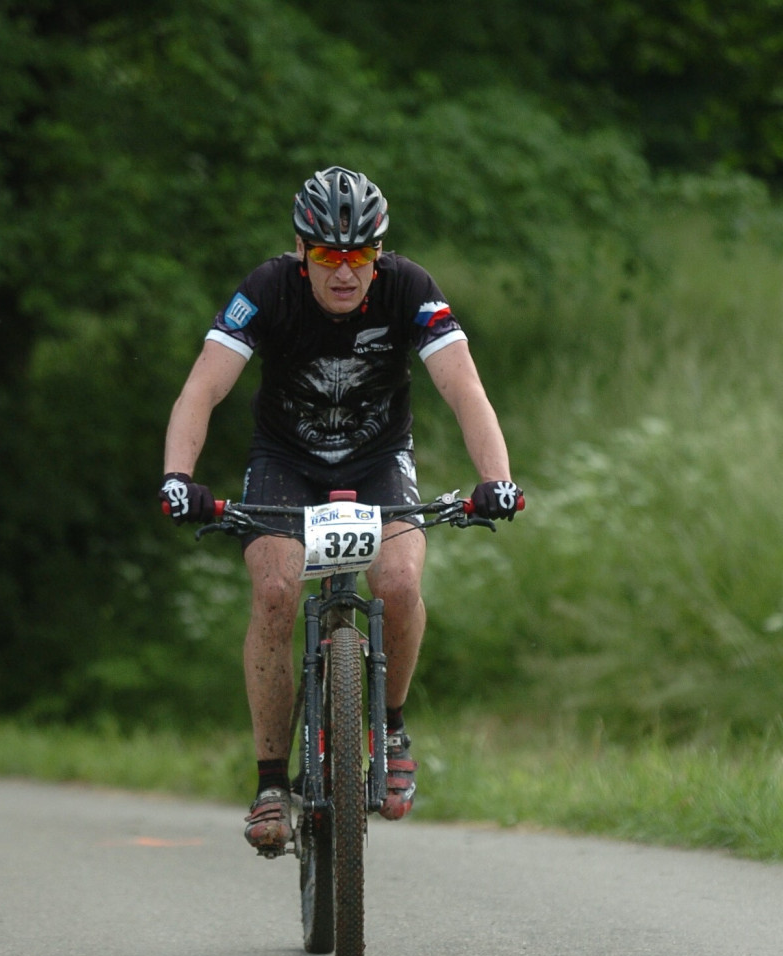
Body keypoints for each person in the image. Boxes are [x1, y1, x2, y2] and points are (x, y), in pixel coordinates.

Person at [160, 166, 522, 855]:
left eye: (361, 254)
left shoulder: (409, 287)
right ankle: (272, 782)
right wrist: (179, 478)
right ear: (302, 250)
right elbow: (202, 387)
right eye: (329, 254)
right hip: (286, 462)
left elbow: (463, 387)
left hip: (377, 460)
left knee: (400, 582)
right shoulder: (266, 289)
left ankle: (391, 727)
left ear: (379, 253)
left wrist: (496, 480)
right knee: (274, 590)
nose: (346, 271)